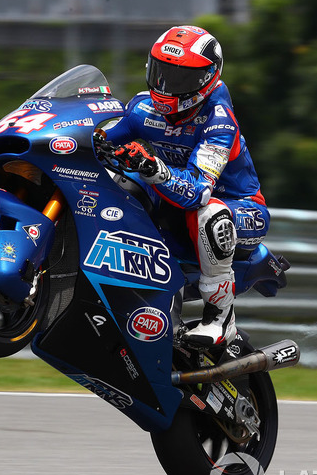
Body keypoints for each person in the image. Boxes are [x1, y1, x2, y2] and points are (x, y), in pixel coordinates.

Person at [103, 25, 269, 347]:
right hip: (173, 199)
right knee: (119, 182)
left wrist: (150, 166)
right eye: (161, 73)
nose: (166, 87)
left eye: (179, 79)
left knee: (210, 214)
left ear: (206, 81)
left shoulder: (220, 122)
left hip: (241, 208)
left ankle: (221, 318)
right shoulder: (141, 108)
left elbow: (197, 194)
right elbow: (100, 142)